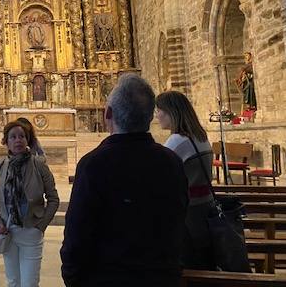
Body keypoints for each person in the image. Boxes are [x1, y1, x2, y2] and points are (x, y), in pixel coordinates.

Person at [61, 73, 188, 287]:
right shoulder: (172, 161)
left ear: (108, 113)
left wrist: (73, 278)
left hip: (107, 279)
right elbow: (179, 217)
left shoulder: (93, 165)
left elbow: (77, 237)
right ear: (150, 116)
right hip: (162, 277)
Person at [0, 121, 59, 287]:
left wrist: (41, 226)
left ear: (27, 140)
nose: (18, 140)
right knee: (13, 282)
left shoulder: (39, 165)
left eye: (22, 136)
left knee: (29, 283)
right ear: (6, 142)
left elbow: (53, 198)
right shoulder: (0, 165)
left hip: (31, 231)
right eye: (13, 137)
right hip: (7, 231)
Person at [157, 90, 215, 270]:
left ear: (171, 112)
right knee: (204, 262)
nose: (156, 115)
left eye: (159, 110)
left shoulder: (176, 142)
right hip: (206, 208)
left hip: (189, 214)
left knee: (190, 265)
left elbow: (157, 175)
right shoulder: (200, 136)